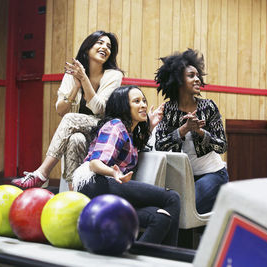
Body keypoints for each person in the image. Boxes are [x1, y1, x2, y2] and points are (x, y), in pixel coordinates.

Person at [12, 31, 124, 190]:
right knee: (75, 139)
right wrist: (76, 87)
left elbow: (100, 109)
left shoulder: (113, 75)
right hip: (81, 131)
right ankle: (74, 191)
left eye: (109, 46)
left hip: (102, 129)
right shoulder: (73, 74)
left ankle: (42, 173)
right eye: (99, 43)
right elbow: (60, 110)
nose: (104, 47)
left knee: (72, 118)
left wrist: (84, 80)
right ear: (87, 47)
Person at [72, 85, 180, 246]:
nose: (143, 104)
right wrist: (114, 174)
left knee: (160, 218)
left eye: (143, 100)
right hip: (95, 183)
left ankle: (136, 258)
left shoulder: (128, 132)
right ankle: (172, 258)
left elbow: (132, 147)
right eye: (136, 101)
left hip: (105, 186)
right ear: (123, 106)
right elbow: (95, 163)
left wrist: (150, 126)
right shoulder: (116, 126)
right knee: (172, 197)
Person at [154, 49, 229, 214]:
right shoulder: (168, 110)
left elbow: (222, 146)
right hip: (182, 178)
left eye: (197, 75)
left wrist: (201, 132)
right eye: (191, 76)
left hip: (213, 174)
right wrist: (184, 129)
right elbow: (160, 146)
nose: (197, 79)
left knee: (182, 209)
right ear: (178, 80)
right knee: (167, 209)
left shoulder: (208, 107)